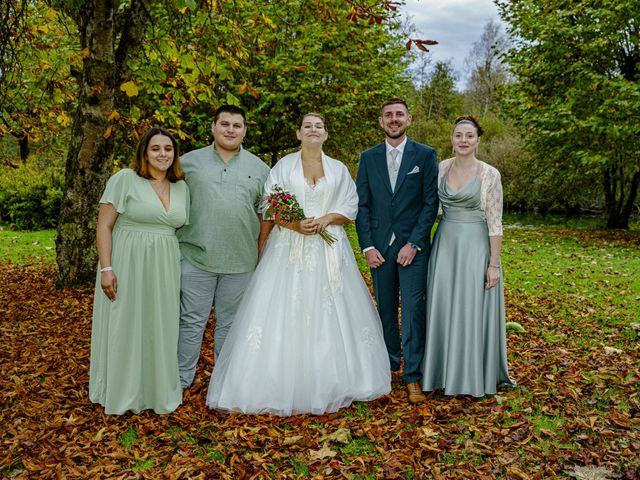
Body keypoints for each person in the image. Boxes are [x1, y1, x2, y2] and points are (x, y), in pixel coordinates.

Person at [206, 113, 391, 416]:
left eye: (318, 126)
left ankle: (336, 379)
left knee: (331, 310)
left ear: (325, 134)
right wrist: (294, 224)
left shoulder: (338, 169)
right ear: (299, 133)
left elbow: (350, 206)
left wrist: (328, 218)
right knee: (282, 310)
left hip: (329, 247)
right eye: (308, 126)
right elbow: (270, 206)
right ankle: (276, 382)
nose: (313, 130)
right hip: (289, 247)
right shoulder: (283, 167)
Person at [89, 127, 189, 415]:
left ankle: (156, 392)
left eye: (168, 149)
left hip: (165, 264)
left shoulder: (182, 187)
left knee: (160, 324)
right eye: (155, 148)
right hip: (127, 260)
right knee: (126, 323)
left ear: (175, 154)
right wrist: (107, 268)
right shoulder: (124, 179)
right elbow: (104, 226)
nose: (162, 154)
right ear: (144, 152)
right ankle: (121, 392)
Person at [420, 115, 515, 397]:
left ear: (478, 140)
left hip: (476, 246)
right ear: (452, 138)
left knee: (471, 307)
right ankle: (441, 372)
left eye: (469, 136)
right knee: (444, 305)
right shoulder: (440, 168)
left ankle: (474, 375)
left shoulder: (489, 174)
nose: (463, 140)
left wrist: (493, 264)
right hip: (445, 245)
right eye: (459, 135)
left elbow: (495, 222)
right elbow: (430, 209)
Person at [177, 105, 270, 390]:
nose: (231, 130)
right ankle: (180, 381)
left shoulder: (261, 168)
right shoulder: (187, 163)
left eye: (237, 125)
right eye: (225, 124)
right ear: (213, 127)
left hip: (241, 261)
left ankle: (225, 384)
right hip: (196, 257)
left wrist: (259, 250)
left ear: (244, 131)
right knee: (191, 323)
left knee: (230, 325)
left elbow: (266, 214)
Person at [355, 99, 439, 404]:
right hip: (379, 247)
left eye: (399, 115)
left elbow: (431, 203)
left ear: (409, 119)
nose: (394, 119)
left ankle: (413, 375)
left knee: (414, 309)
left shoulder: (426, 155)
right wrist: (367, 246)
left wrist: (414, 243)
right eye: (388, 115)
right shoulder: (368, 158)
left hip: (413, 248)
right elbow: (361, 204)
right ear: (381, 121)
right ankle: (390, 364)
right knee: (385, 308)